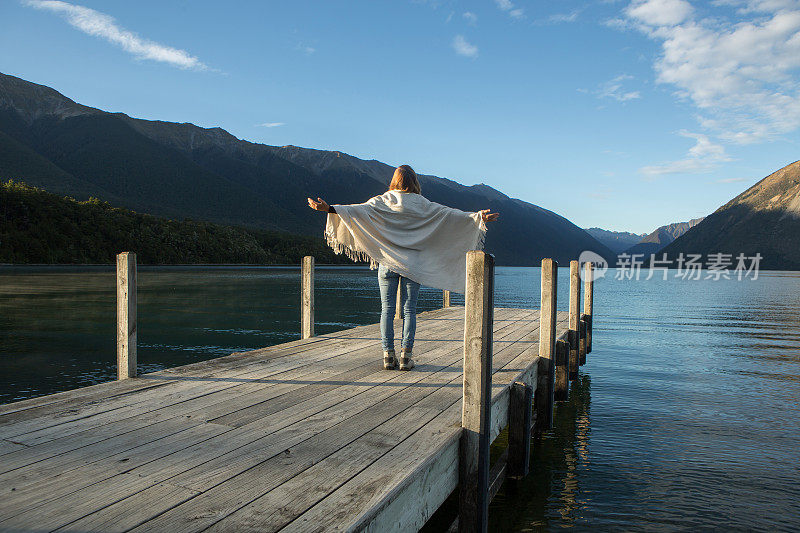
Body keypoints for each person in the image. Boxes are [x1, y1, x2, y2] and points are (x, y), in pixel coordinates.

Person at [308, 165, 498, 371]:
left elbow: (356, 210)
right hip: (413, 265)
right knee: (409, 311)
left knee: (387, 309)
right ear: (414, 182)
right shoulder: (422, 204)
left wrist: (329, 209)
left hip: (387, 263)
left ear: (394, 180)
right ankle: (406, 357)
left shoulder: (383, 200)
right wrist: (477, 217)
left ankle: (388, 356)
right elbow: (450, 215)